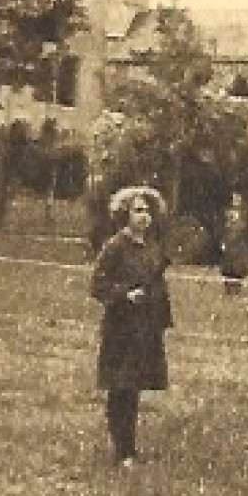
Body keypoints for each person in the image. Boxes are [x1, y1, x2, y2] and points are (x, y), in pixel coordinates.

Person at [90, 187, 174, 467]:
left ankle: (130, 447)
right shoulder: (115, 246)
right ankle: (122, 449)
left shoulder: (151, 248)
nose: (144, 216)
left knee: (134, 388)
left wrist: (161, 317)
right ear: (124, 213)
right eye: (138, 210)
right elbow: (97, 285)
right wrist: (124, 295)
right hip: (121, 329)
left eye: (148, 211)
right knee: (120, 387)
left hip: (145, 329)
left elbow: (158, 286)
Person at [218, 193, 248, 297]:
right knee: (228, 267)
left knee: (238, 267)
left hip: (239, 243)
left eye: (238, 199)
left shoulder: (245, 214)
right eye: (235, 199)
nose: (236, 201)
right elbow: (223, 229)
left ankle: (237, 289)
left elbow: (246, 229)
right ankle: (228, 289)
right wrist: (223, 242)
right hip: (229, 242)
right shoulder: (227, 213)